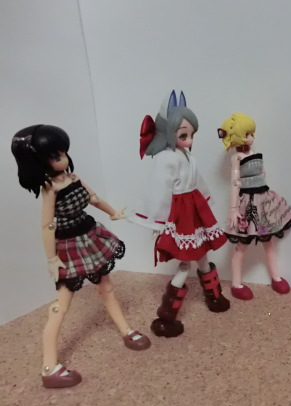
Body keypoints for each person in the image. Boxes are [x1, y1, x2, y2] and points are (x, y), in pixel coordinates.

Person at [11, 124, 150, 388]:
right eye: (55, 155)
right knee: (61, 304)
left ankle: (126, 330)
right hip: (68, 246)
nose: (62, 158)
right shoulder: (50, 188)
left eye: (63, 152)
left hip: (89, 235)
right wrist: (51, 258)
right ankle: (49, 367)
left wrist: (112, 212)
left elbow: (93, 198)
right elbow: (47, 225)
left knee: (106, 286)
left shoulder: (73, 178)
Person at [131, 91, 229, 337]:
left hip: (193, 210)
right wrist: (159, 222)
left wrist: (206, 201)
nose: (189, 140)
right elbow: (158, 190)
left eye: (191, 135)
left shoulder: (186, 156)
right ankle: (167, 315)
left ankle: (214, 297)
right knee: (185, 264)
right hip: (180, 216)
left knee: (202, 255)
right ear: (168, 132)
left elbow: (198, 181)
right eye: (184, 135)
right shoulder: (166, 158)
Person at [217, 113, 291, 300]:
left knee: (268, 241)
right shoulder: (237, 158)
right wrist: (233, 209)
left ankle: (276, 277)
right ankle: (236, 283)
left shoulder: (255, 154)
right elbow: (235, 183)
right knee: (241, 246)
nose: (251, 137)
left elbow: (261, 174)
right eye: (246, 134)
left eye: (251, 133)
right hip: (247, 206)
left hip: (262, 204)